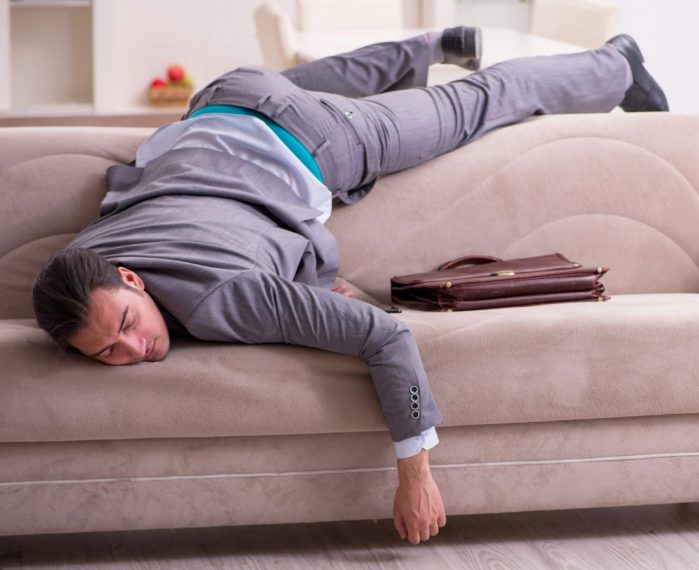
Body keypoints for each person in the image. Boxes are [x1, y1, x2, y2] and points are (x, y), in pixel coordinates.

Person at [31, 27, 668, 545]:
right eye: (105, 353)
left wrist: (415, 474)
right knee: (289, 87)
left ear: (130, 277)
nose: (133, 351)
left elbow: (385, 335)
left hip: (310, 135)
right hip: (217, 103)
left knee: (474, 103)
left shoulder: (222, 301)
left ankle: (617, 63)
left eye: (126, 324)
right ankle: (426, 47)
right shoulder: (83, 260)